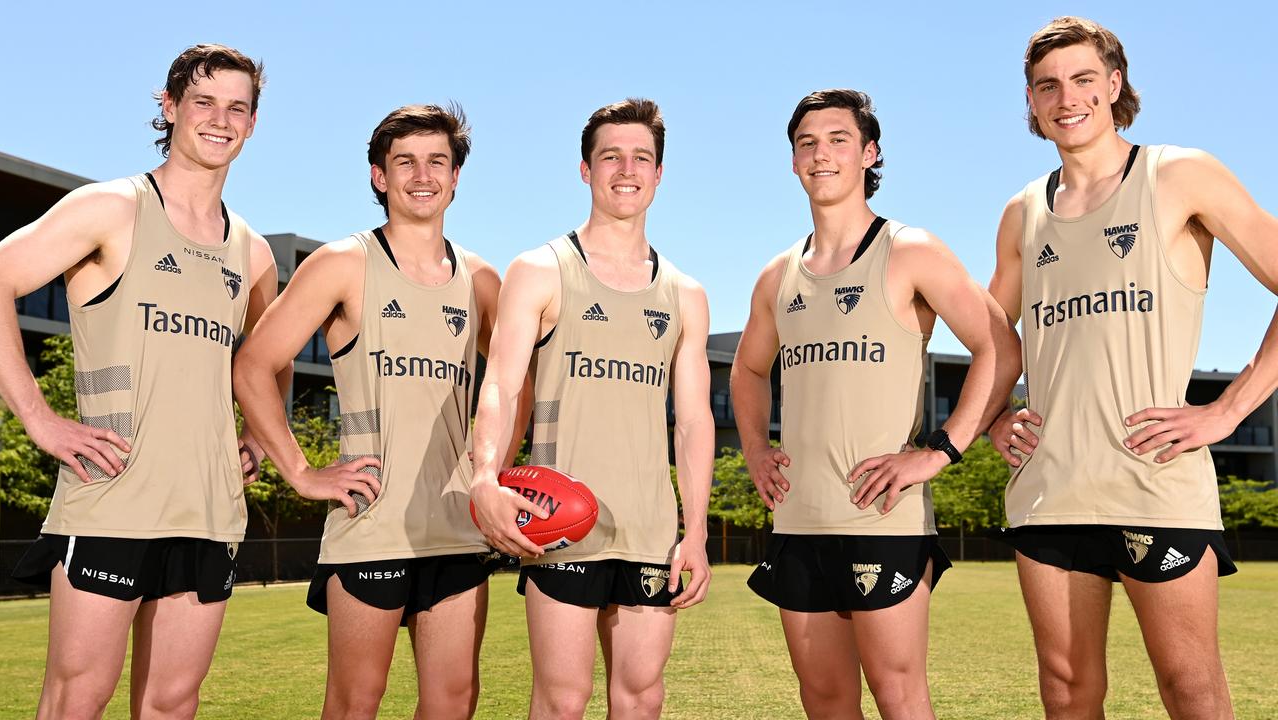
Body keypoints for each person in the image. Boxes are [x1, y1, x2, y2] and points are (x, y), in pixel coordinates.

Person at [987, 16, 1277, 719]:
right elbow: (994, 337)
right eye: (1047, 85)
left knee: (1191, 689)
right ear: (1031, 100)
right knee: (1066, 692)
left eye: (1085, 79)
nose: (1067, 97)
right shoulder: (1022, 212)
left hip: (1154, 480)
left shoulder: (1180, 175)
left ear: (1114, 84)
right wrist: (993, 416)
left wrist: (1228, 409)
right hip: (1050, 489)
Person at [0, 44, 279, 719]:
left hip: (211, 512)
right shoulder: (112, 208)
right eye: (204, 101)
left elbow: (264, 363)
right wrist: (37, 417)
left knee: (172, 703)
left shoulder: (255, 252)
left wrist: (260, 438)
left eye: (236, 107)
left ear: (252, 124)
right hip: (114, 496)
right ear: (170, 106)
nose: (220, 119)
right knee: (77, 700)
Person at [731, 88, 1021, 720]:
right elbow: (749, 369)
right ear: (793, 162)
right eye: (806, 143)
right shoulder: (776, 275)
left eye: (838, 139)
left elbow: (999, 345)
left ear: (870, 152)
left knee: (898, 695)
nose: (821, 153)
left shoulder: (909, 249)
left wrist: (941, 451)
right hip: (799, 520)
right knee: (825, 699)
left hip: (882, 518)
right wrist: (754, 446)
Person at [233, 104, 520, 719]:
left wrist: (494, 470)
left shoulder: (482, 280)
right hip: (371, 526)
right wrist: (301, 472)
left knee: (453, 703)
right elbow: (253, 365)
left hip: (458, 528)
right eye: (405, 162)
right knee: (355, 702)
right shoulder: (343, 263)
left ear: (456, 176)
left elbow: (515, 385)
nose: (423, 175)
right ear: (378, 176)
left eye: (437, 161)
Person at [469, 98, 713, 720]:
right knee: (562, 700)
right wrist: (482, 475)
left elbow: (694, 422)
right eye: (611, 156)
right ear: (585, 169)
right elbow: (498, 383)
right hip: (559, 523)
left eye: (641, 157)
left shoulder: (685, 293)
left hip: (650, 531)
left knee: (640, 698)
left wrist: (698, 531)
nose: (626, 169)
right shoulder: (540, 269)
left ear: (660, 173)